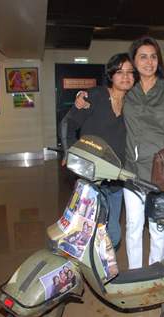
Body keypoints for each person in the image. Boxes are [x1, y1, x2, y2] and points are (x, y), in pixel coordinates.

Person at [122, 37, 164, 269]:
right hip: (130, 171)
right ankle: (135, 273)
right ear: (134, 61)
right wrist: (83, 97)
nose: (149, 62)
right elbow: (105, 97)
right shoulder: (126, 89)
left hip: (159, 172)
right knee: (133, 226)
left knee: (157, 228)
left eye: (153, 56)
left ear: (158, 60)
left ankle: (155, 272)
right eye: (143, 56)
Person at [61, 53, 136, 249]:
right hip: (91, 177)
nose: (125, 76)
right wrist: (69, 151)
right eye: (120, 72)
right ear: (111, 75)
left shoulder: (133, 104)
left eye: (130, 72)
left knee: (113, 233)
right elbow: (68, 123)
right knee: (86, 229)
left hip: (116, 178)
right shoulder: (95, 96)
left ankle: (102, 268)